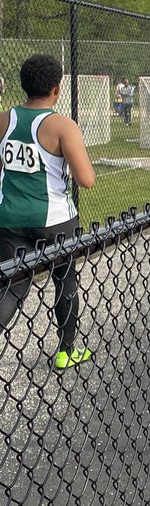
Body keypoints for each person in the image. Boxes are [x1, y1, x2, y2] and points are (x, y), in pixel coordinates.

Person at [0, 55, 96, 369]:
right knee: (65, 282)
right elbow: (87, 179)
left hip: (10, 218)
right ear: (56, 89)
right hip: (55, 220)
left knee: (11, 288)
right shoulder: (62, 125)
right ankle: (66, 351)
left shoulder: (4, 120)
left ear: (23, 86)